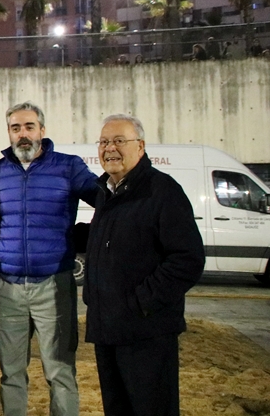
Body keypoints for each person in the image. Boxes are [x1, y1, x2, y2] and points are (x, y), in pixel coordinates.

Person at [84, 114, 205, 416]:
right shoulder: (107, 193)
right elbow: (106, 241)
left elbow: (187, 259)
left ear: (141, 146)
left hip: (146, 333)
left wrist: (142, 302)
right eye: (104, 142)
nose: (110, 148)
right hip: (108, 330)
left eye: (119, 141)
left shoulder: (162, 191)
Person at [0, 102, 96, 416]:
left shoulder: (68, 166)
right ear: (9, 132)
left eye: (29, 127)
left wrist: (81, 235)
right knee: (11, 372)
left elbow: (105, 201)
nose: (23, 134)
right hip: (7, 286)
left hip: (53, 285)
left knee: (59, 370)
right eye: (16, 128)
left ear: (42, 131)